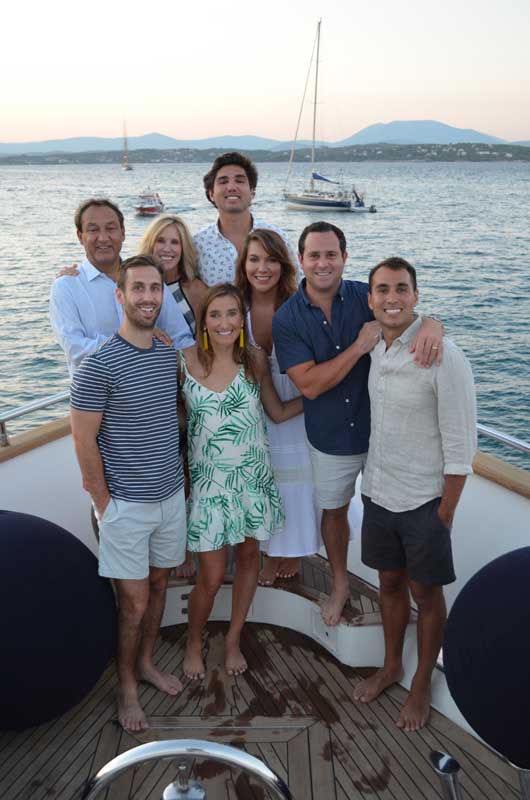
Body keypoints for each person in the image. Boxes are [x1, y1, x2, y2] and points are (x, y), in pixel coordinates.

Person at [273, 222, 443, 627]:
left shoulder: (365, 297)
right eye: (314, 255)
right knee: (333, 511)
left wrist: (434, 322)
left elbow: (405, 311)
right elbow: (310, 386)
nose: (323, 263)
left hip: (382, 433)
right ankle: (340, 583)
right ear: (301, 261)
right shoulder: (288, 318)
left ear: (345, 258)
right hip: (330, 437)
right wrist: (359, 347)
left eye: (331, 254)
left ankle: (400, 592)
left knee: (391, 512)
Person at [353, 257, 477, 732]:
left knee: (426, 595)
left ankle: (421, 683)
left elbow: (462, 446)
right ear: (370, 299)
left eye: (401, 289)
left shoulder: (442, 355)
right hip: (379, 492)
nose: (392, 298)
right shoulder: (375, 348)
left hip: (425, 502)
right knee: (388, 584)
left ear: (416, 296)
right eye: (382, 289)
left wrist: (444, 515)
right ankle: (391, 666)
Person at [70, 255, 188, 732]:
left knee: (160, 587)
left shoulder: (165, 353)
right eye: (137, 288)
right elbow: (83, 442)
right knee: (133, 602)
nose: (147, 297)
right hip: (124, 506)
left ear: (163, 295)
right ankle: (126, 686)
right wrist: (105, 506)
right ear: (119, 296)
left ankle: (145, 662)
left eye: (155, 288)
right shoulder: (98, 365)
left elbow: (173, 415)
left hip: (171, 496)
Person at [179, 283, 303, 679]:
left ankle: (233, 638)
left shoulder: (254, 360)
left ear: (242, 319)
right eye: (215, 314)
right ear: (203, 321)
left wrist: (329, 392)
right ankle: (193, 641)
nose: (224, 322)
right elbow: (173, 424)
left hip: (251, 482)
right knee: (211, 576)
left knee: (249, 559)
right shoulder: (183, 361)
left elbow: (278, 412)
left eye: (232, 313)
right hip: (210, 488)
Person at [235, 229, 321, 584]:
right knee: (263, 481)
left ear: (283, 264)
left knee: (297, 481)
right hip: (254, 404)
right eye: (254, 259)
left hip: (297, 400)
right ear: (244, 264)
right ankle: (270, 550)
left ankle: (295, 550)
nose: (262, 268)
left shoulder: (299, 304)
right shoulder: (236, 306)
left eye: (271, 259)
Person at [50, 198, 194, 375]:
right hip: (100, 399)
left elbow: (182, 338)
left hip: (154, 392)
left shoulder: (148, 277)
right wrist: (141, 340)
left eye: (111, 228)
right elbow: (76, 350)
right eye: (93, 229)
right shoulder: (67, 287)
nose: (103, 238)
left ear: (123, 232)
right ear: (80, 236)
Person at [193, 152, 298, 285]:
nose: (231, 187)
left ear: (252, 191)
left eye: (239, 181)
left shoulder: (279, 239)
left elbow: (297, 287)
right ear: (211, 193)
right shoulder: (197, 245)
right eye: (223, 181)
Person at [138, 214, 208, 336]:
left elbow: (204, 339)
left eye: (175, 242)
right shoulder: (132, 286)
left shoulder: (196, 289)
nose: (167, 249)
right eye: (160, 241)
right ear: (150, 244)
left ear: (183, 248)